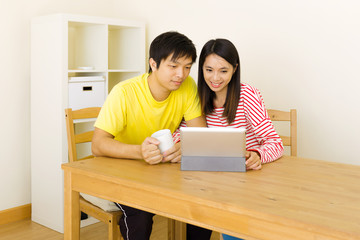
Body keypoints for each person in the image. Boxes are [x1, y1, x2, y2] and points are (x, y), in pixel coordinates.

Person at [91, 31, 207, 240]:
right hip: (121, 171)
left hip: (158, 173)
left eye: (187, 67)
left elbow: (200, 135)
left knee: (202, 198)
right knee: (140, 212)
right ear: (153, 63)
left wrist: (187, 146)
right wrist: (139, 151)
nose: (181, 74)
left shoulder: (187, 86)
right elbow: (98, 145)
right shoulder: (124, 92)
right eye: (173, 66)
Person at [176, 38, 284, 239]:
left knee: (233, 228)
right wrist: (178, 143)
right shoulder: (194, 96)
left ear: (234, 69)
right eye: (209, 70)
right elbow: (181, 133)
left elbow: (275, 143)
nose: (215, 78)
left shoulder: (247, 95)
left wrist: (257, 154)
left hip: (243, 184)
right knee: (197, 218)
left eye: (223, 71)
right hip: (205, 181)